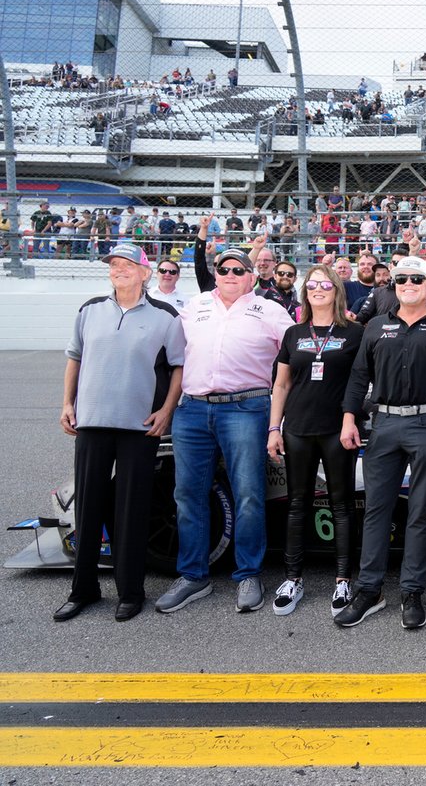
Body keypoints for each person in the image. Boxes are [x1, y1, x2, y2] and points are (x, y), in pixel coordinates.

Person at [155, 248, 294, 614]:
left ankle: (248, 573)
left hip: (247, 406)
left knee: (248, 494)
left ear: (251, 275)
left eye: (238, 269)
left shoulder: (269, 309)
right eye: (223, 268)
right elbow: (165, 351)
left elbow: (295, 353)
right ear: (215, 273)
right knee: (187, 494)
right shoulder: (194, 306)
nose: (230, 274)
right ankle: (192, 576)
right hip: (194, 409)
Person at [337, 256, 426, 628]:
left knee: (419, 513)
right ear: (392, 286)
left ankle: (412, 591)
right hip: (384, 425)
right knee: (376, 510)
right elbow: (359, 376)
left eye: (415, 278)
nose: (407, 284)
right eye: (400, 279)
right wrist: (349, 417)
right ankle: (370, 590)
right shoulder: (376, 326)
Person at [55, 244, 185, 623]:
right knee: (89, 507)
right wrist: (66, 403)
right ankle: (84, 590)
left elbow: (178, 367)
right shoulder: (89, 309)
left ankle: (131, 591)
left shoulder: (166, 316)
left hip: (138, 428)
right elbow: (74, 358)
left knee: (131, 511)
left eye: (127, 264)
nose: (118, 269)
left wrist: (166, 409)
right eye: (114, 264)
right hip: (92, 423)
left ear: (145, 273)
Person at [267, 264, 365, 617]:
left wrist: (351, 420)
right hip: (297, 429)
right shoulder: (293, 333)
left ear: (337, 290)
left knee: (341, 505)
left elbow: (362, 382)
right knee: (297, 504)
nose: (318, 289)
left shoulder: (355, 333)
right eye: (312, 285)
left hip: (338, 430)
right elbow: (281, 385)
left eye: (325, 284)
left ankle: (343, 579)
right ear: (305, 292)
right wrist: (273, 428)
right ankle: (293, 578)